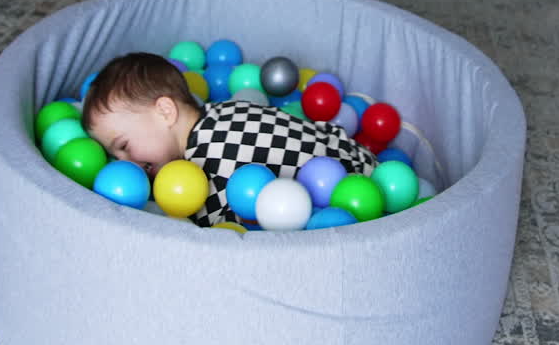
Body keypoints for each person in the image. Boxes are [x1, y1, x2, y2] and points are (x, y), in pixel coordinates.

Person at [82, 51, 377, 227]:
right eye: (113, 156)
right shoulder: (221, 110)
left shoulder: (207, 158)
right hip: (353, 154)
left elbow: (213, 235)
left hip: (355, 201)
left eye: (122, 146)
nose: (123, 163)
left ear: (165, 111)